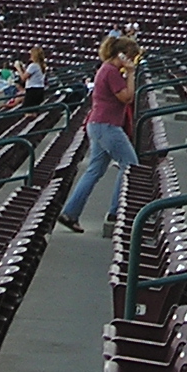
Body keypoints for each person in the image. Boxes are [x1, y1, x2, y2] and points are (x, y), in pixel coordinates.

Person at [56, 36, 139, 233]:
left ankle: (71, 213)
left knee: (95, 170)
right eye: (130, 57)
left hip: (99, 124)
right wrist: (130, 74)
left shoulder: (107, 70)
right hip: (106, 126)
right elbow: (127, 97)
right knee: (131, 165)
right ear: (122, 54)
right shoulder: (111, 71)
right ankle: (116, 211)